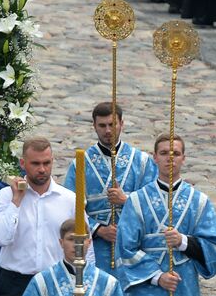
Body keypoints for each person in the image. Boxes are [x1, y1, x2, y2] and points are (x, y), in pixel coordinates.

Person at [116, 134, 216, 296]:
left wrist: (184, 242)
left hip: (183, 290)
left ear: (183, 158)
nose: (169, 158)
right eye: (164, 153)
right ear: (154, 157)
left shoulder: (199, 202)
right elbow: (125, 248)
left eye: (175, 153)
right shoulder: (137, 201)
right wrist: (157, 276)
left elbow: (214, 247)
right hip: (145, 292)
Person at [0, 137, 88, 296]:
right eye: (35, 163)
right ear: (23, 163)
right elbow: (0, 238)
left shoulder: (69, 200)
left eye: (46, 163)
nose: (42, 169)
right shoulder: (5, 196)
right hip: (15, 284)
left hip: (55, 283)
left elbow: (85, 245)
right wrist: (16, 202)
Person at [65, 102, 157, 274]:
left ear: (121, 123)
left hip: (133, 244)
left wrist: (126, 200)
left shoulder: (142, 162)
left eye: (112, 124)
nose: (108, 130)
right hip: (95, 247)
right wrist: (99, 230)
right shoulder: (80, 164)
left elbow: (156, 201)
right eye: (102, 125)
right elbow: (70, 206)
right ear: (94, 126)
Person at [17, 219, 132, 296]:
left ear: (89, 242)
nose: (77, 245)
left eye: (82, 239)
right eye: (71, 239)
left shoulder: (108, 282)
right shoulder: (42, 281)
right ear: (61, 242)